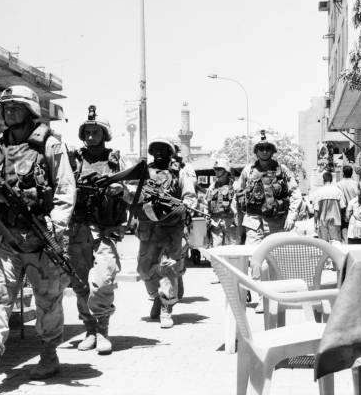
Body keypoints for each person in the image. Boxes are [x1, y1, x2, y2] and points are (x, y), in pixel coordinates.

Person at [0, 85, 76, 394]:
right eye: (5, 107)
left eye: (16, 106)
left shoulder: (50, 146)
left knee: (48, 301)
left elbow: (65, 191)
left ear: (30, 110)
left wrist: (55, 229)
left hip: (40, 236)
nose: (8, 111)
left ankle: (49, 354)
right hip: (3, 237)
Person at [66, 105, 129, 355]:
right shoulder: (74, 160)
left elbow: (134, 190)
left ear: (104, 134)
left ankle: (103, 330)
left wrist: (119, 190)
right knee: (80, 284)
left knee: (103, 281)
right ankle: (90, 330)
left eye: (96, 132)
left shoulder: (115, 160)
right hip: (78, 229)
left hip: (104, 230)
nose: (91, 137)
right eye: (87, 132)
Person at [134, 138, 197, 328]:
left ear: (171, 152)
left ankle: (166, 307)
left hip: (171, 228)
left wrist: (183, 208)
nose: (159, 152)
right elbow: (133, 194)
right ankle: (156, 297)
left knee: (168, 267)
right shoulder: (145, 172)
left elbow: (190, 196)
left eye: (164, 149)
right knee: (144, 268)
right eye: (156, 149)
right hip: (148, 226)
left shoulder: (181, 172)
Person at [236, 130, 301, 313]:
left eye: (267, 148)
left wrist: (291, 216)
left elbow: (295, 194)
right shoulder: (248, 171)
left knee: (274, 261)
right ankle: (261, 297)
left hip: (277, 223)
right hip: (254, 222)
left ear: (272, 150)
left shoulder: (283, 170)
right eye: (261, 148)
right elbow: (239, 195)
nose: (264, 151)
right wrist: (238, 226)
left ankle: (275, 294)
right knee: (256, 261)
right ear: (256, 151)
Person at [205, 158, 239, 246]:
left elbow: (239, 206)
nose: (216, 172)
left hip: (231, 222)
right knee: (216, 250)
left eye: (219, 170)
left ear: (226, 171)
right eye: (215, 170)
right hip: (215, 222)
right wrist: (207, 218)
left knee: (232, 249)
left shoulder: (235, 185)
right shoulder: (212, 186)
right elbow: (207, 203)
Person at [314, 171, 346, 242]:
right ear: (331, 180)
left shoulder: (318, 192)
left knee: (324, 246)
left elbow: (316, 211)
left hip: (322, 223)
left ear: (323, 180)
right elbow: (343, 207)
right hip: (336, 223)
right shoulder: (338, 191)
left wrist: (315, 223)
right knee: (335, 245)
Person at [336, 165, 358, 241]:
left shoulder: (339, 184)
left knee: (345, 232)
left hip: (344, 211)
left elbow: (340, 200)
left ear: (343, 173)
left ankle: (346, 245)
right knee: (354, 232)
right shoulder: (355, 183)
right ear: (351, 173)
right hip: (355, 211)